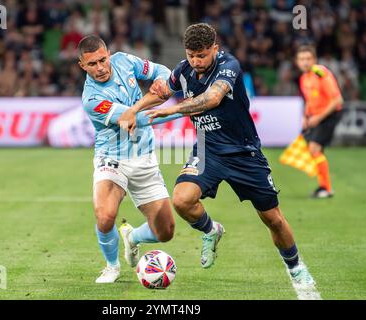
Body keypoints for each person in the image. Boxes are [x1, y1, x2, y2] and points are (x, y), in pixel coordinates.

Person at [125, 23, 315, 286]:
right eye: (191, 55)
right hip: (208, 149)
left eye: (201, 55)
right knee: (181, 200)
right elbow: (161, 93)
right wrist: (134, 109)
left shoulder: (229, 66)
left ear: (215, 48)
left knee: (272, 218)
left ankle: (295, 267)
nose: (196, 61)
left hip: (243, 152)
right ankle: (210, 230)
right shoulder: (184, 69)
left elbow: (212, 98)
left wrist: (171, 111)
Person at [78, 35, 184, 283]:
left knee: (165, 231)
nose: (100, 67)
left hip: (144, 158)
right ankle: (112, 266)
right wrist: (182, 109)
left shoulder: (124, 61)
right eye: (92, 64)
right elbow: (136, 119)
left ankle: (132, 237)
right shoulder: (91, 99)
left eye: (102, 60)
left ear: (108, 53)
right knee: (105, 216)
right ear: (82, 65)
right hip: (112, 158)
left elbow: (163, 71)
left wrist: (160, 84)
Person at [296, 45, 344, 198]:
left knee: (314, 149)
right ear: (297, 62)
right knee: (315, 151)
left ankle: (326, 188)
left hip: (329, 114)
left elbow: (337, 100)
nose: (305, 62)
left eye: (308, 59)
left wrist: (318, 118)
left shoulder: (321, 73)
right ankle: (324, 187)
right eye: (302, 59)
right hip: (317, 116)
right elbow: (310, 100)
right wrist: (305, 116)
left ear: (314, 60)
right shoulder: (304, 78)